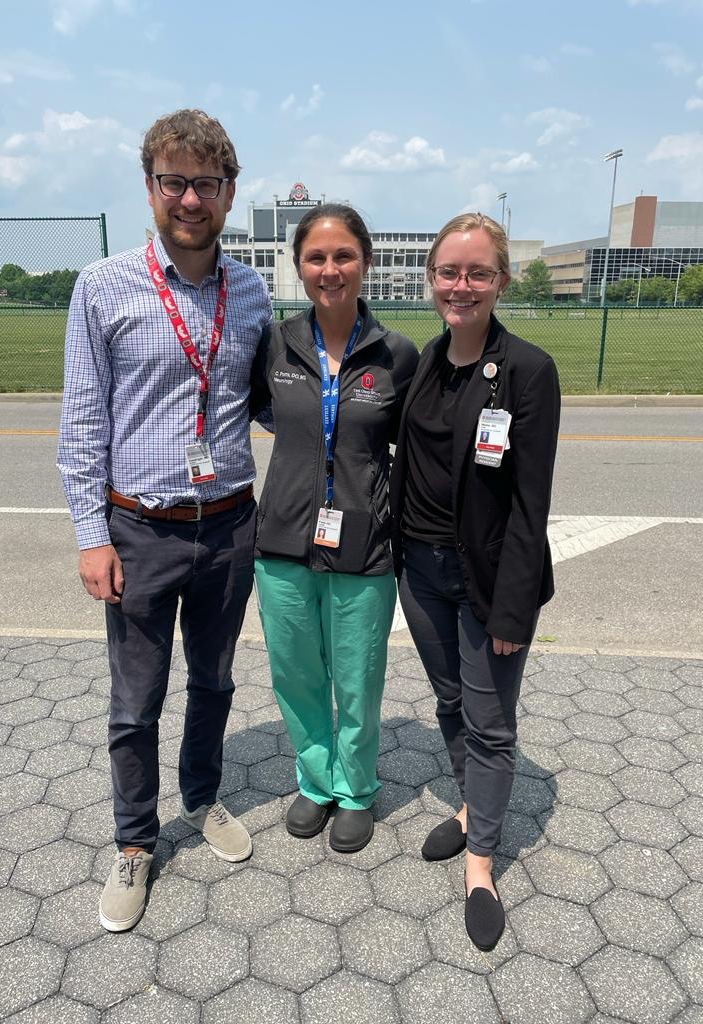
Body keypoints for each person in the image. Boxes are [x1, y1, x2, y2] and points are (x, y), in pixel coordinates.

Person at [57, 109, 272, 932]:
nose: (190, 198)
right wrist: (90, 534)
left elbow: (265, 400)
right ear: (151, 187)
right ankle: (136, 842)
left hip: (227, 526)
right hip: (139, 530)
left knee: (215, 682)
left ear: (228, 193)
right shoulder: (103, 286)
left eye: (206, 184)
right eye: (174, 181)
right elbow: (82, 423)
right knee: (134, 702)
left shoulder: (249, 290)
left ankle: (206, 796)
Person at [389, 213, 560, 949]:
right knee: (451, 698)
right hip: (419, 574)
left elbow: (531, 502)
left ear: (501, 281)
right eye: (449, 272)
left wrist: (514, 610)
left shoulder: (526, 370)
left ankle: (482, 860)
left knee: (490, 726)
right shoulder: (424, 360)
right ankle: (469, 808)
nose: (461, 286)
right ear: (432, 279)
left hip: (487, 581)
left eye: (477, 273)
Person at [251, 204, 419, 853]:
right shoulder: (274, 344)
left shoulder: (395, 355)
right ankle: (315, 780)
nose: (330, 269)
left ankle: (355, 789)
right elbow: (258, 412)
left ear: (365, 262)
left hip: (365, 546)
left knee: (357, 677)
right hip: (283, 543)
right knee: (295, 672)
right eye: (317, 257)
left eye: (343, 255)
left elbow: (415, 448)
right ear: (299, 266)